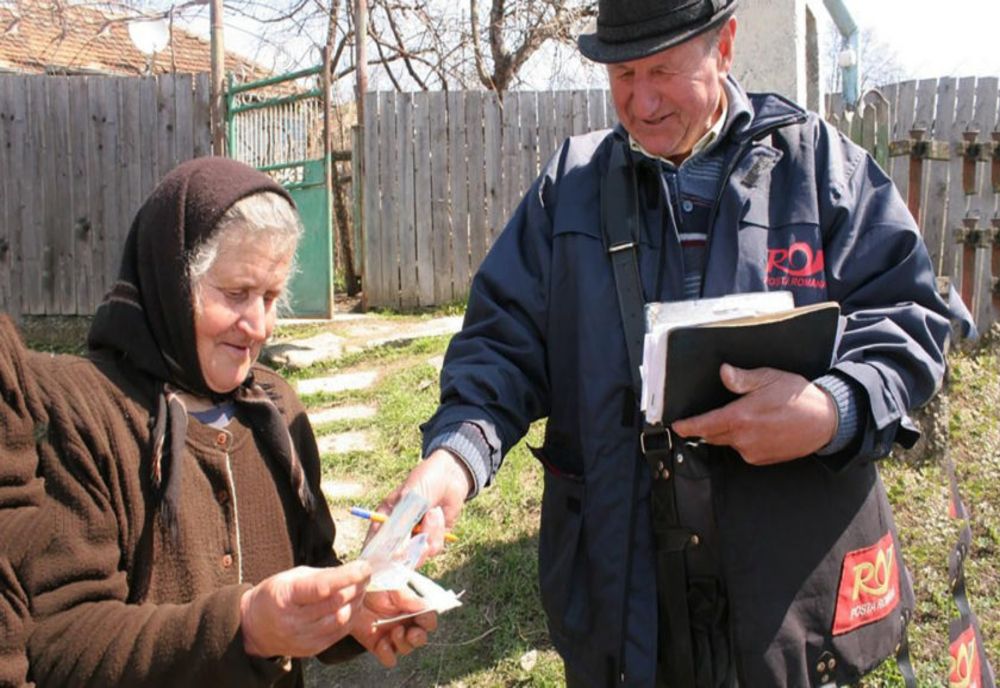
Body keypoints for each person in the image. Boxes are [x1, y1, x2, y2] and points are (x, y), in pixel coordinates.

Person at [379, 1, 970, 686]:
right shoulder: (567, 192)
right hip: (621, 586)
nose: (643, 100)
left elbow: (908, 318)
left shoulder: (822, 170)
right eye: (623, 73)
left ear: (725, 46)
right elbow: (501, 347)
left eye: (663, 69)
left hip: (789, 592)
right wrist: (455, 459)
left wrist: (831, 409)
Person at [11, 157, 435, 687]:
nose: (257, 326)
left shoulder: (277, 413)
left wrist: (356, 606)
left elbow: (310, 571)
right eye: (236, 294)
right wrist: (244, 627)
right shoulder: (79, 413)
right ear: (169, 282)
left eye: (271, 297)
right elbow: (59, 644)